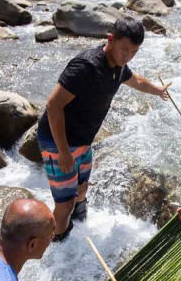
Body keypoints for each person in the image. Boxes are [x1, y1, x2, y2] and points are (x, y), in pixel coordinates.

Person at [37, 18, 172, 241]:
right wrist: (62, 151)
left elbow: (135, 80)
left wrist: (158, 90)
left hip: (82, 139)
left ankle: (78, 224)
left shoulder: (118, 67)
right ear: (111, 39)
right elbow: (53, 105)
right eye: (124, 50)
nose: (127, 56)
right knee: (65, 202)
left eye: (133, 52)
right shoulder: (86, 67)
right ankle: (59, 246)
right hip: (57, 140)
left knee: (82, 188)